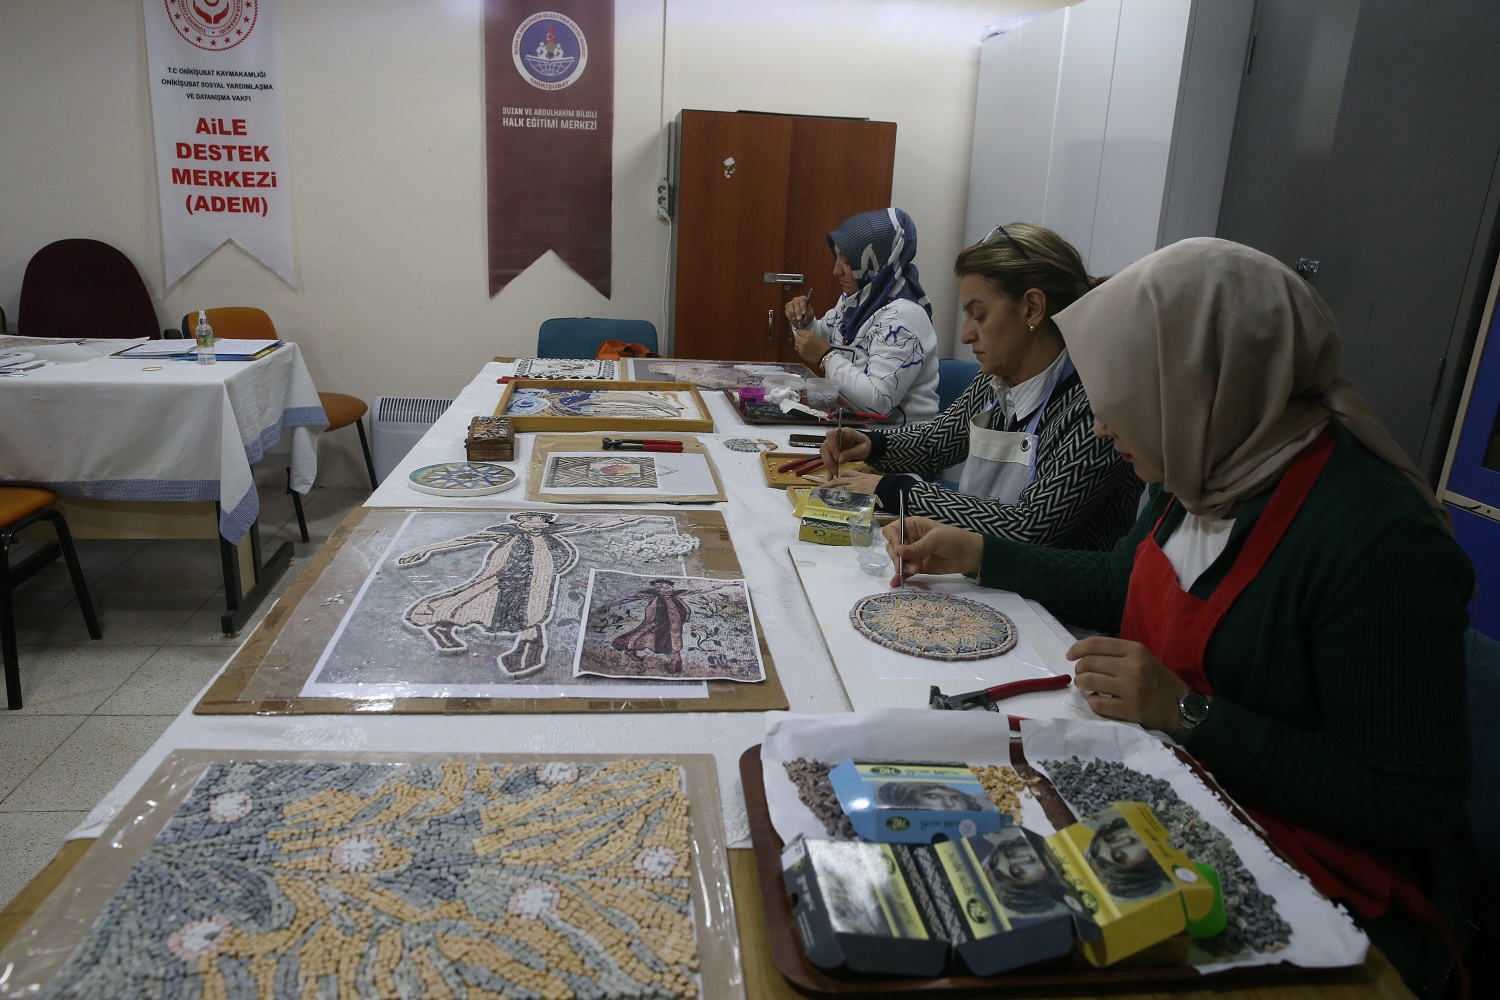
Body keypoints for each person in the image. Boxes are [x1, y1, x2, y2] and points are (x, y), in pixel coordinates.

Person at [886, 238, 1474, 995]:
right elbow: (1125, 582)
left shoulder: (1377, 542)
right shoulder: (1199, 468)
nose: (1100, 428)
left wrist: (1190, 712)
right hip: (1181, 791)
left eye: (1121, 395)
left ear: (1196, 384)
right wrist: (981, 555)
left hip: (1313, 873)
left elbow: (1410, 803)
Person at [818, 222, 1139, 550]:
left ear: (1032, 308)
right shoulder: (996, 378)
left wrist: (897, 490)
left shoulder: (1096, 407)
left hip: (1051, 601)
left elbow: (1029, 526)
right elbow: (940, 441)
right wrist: (873, 444)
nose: (965, 335)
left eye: (979, 316)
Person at [783, 207, 939, 423]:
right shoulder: (861, 298)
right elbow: (830, 339)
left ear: (876, 260)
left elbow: (877, 404)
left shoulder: (902, 319)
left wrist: (825, 357)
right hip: (856, 429)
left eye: (847, 261)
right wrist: (808, 323)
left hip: (898, 443)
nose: (836, 271)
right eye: (837, 258)